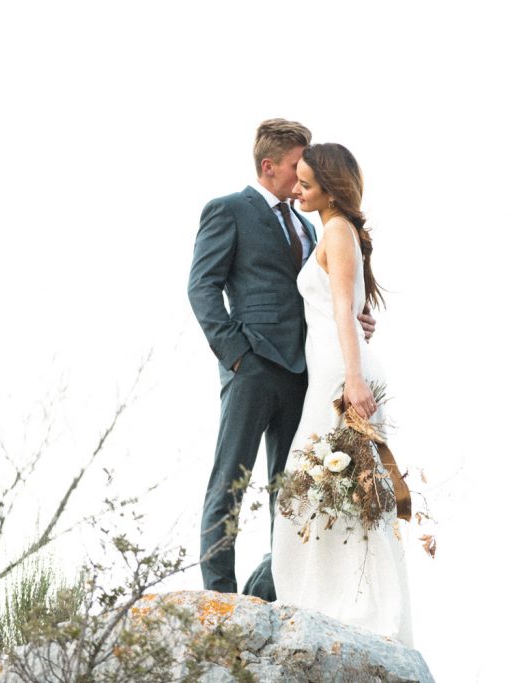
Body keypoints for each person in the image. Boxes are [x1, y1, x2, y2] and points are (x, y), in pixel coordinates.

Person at [188, 120, 376, 601]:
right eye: (297, 166)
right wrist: (236, 356)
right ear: (269, 167)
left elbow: (324, 296)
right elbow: (201, 288)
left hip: (302, 374)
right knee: (230, 480)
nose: (304, 175)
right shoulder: (229, 210)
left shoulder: (311, 224)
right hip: (251, 367)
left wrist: (355, 321)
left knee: (290, 491)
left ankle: (277, 591)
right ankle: (221, 597)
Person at [271, 142, 412, 645]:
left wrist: (353, 378)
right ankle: (331, 595)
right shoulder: (335, 231)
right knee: (331, 489)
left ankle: (350, 603)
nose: (297, 190)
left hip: (339, 373)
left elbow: (339, 315)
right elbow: (347, 309)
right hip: (333, 366)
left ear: (331, 189)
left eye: (306, 184)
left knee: (333, 489)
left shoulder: (335, 230)